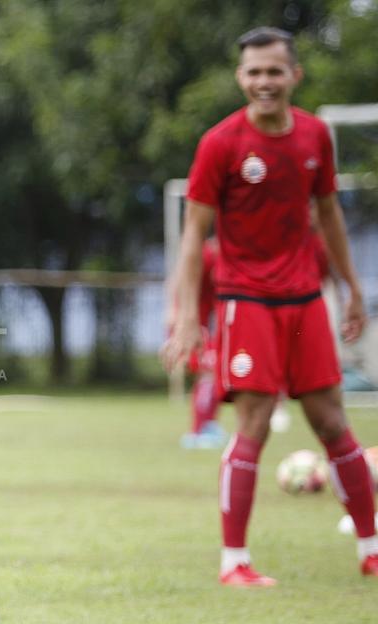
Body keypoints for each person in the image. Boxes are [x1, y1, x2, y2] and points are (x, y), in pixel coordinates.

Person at [162, 27, 377, 585]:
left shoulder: (314, 137)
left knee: (333, 423)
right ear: (241, 78)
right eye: (254, 72)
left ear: (293, 75)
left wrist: (351, 288)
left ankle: (371, 547)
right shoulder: (221, 144)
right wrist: (189, 317)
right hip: (246, 303)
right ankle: (235, 563)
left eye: (274, 71)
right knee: (253, 425)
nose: (264, 82)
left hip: (306, 300)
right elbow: (193, 234)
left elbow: (329, 215)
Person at [177, 237, 225, 450]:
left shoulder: (221, 254)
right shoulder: (207, 254)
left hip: (210, 324)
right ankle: (198, 431)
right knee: (208, 374)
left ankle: (208, 425)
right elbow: (181, 281)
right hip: (196, 323)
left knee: (213, 375)